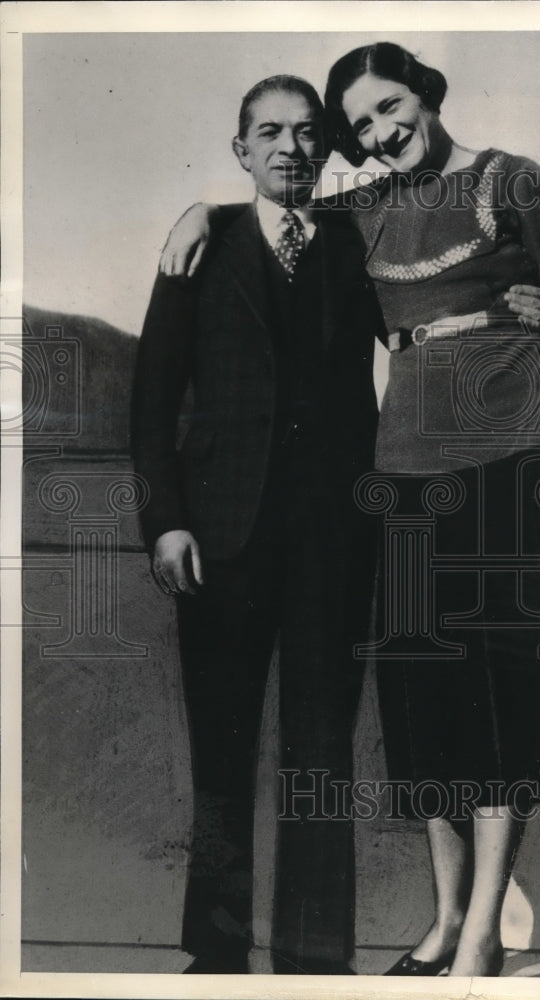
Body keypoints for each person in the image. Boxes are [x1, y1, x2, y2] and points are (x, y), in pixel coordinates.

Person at [160, 42, 540, 978]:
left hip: (515, 460)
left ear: (427, 95)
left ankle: (484, 934)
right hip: (405, 468)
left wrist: (532, 341)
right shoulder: (360, 204)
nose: (381, 132)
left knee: (500, 701)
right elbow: (273, 205)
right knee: (431, 703)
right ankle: (446, 920)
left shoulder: (510, 179)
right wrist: (198, 211)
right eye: (362, 123)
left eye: (392, 106)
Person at [131, 75, 386, 975]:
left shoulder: (361, 241)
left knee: (322, 751)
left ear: (327, 149)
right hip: (220, 539)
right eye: (268, 134)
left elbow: (431, 213)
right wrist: (164, 521)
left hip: (333, 543)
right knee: (221, 748)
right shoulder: (205, 248)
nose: (290, 148)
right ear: (241, 150)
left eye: (307, 133)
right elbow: (153, 399)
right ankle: (217, 951)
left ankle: (318, 957)